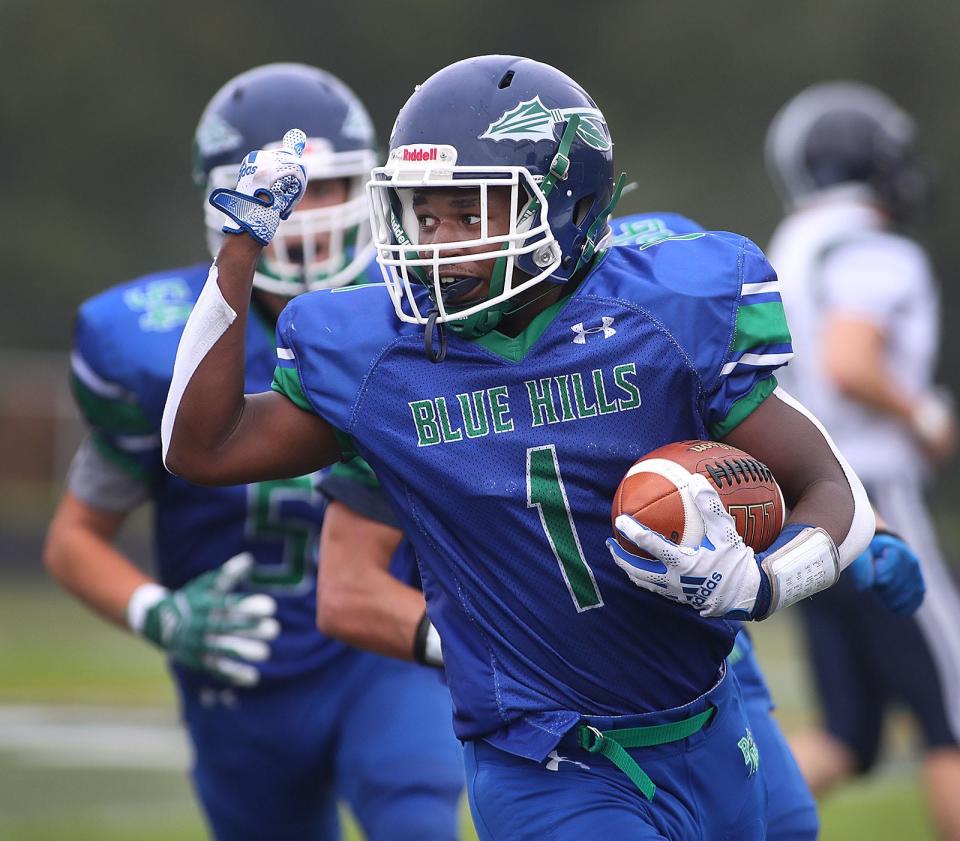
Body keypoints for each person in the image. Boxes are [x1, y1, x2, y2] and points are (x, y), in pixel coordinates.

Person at [162, 55, 876, 840]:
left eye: (471, 216)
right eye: (425, 216)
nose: (438, 243)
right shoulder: (382, 358)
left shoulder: (665, 313)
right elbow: (204, 447)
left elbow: (828, 484)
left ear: (568, 207)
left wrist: (768, 580)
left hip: (708, 727)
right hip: (543, 763)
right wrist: (238, 254)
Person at [43, 63, 463, 841]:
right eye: (280, 192)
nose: (299, 214)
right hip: (237, 668)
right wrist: (159, 613)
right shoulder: (142, 338)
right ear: (219, 197)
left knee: (415, 812)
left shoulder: (419, 306)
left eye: (324, 186)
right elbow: (74, 536)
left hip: (380, 649)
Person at [765, 80, 960, 838]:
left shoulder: (791, 245)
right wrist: (924, 412)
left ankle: (697, 820)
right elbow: (850, 358)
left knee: (847, 733)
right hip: (872, 495)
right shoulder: (872, 247)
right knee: (950, 714)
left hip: (802, 493)